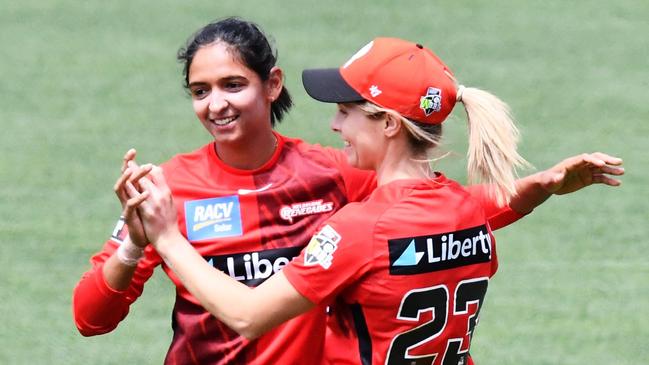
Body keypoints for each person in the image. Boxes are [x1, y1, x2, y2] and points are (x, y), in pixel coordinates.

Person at [119, 37, 624, 365]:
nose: (335, 125)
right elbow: (494, 202)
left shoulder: (359, 229)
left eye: (345, 111)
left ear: (387, 123)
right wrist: (542, 185)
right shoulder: (462, 209)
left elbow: (248, 315)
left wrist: (165, 236)